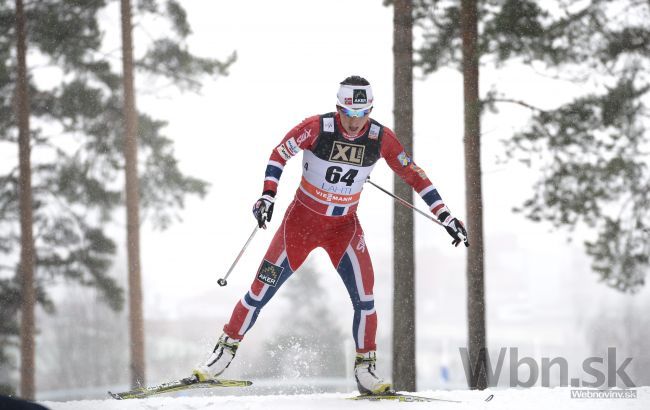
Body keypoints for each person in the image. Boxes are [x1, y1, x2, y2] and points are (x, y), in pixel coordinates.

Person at [192, 75, 468, 394]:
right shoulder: (316, 128)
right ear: (338, 108)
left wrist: (444, 215)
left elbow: (415, 176)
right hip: (299, 226)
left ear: (370, 110)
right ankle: (222, 354)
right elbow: (279, 154)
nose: (354, 122)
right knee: (259, 291)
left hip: (343, 229)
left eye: (362, 114)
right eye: (348, 114)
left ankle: (366, 370)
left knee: (365, 298)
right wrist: (267, 194)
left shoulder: (380, 138)